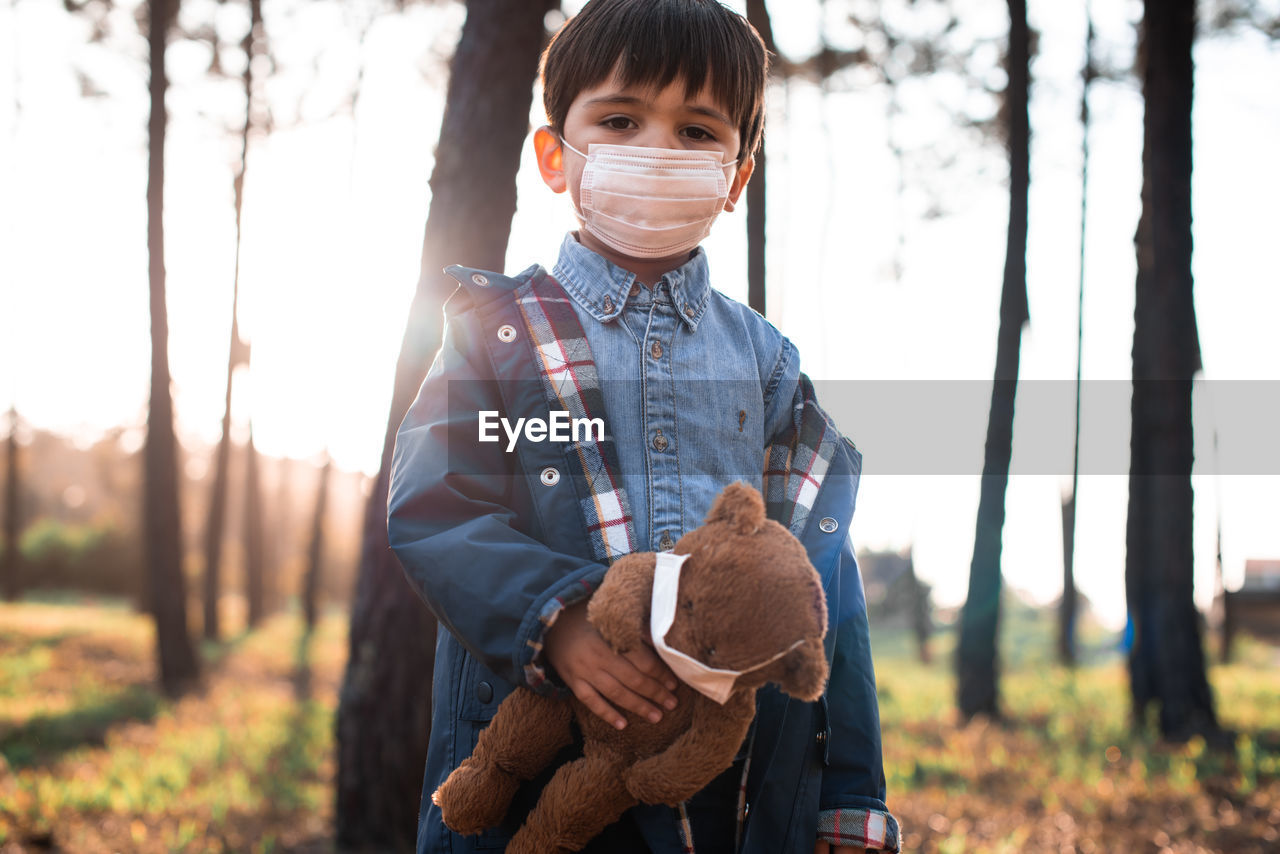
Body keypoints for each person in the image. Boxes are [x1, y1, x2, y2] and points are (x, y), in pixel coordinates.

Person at [387, 1, 901, 852]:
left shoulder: (768, 363)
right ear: (556, 156)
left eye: (698, 131)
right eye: (621, 120)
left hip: (727, 799)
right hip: (539, 781)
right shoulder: (497, 335)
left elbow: (820, 590)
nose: (658, 151)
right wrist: (559, 620)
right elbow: (437, 508)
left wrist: (852, 791)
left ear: (736, 177)